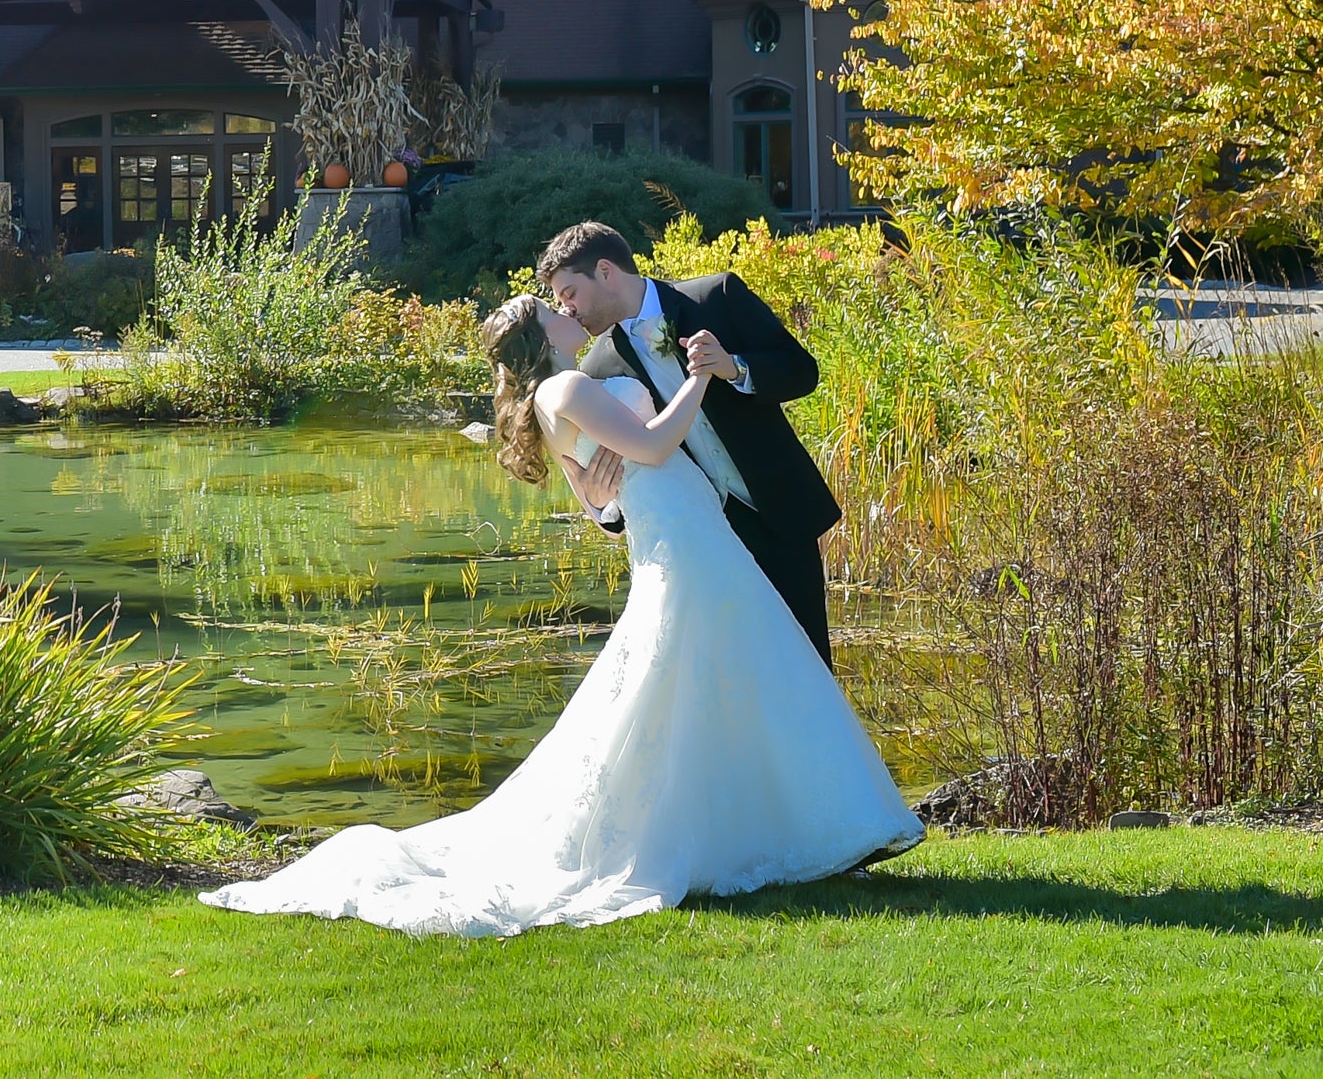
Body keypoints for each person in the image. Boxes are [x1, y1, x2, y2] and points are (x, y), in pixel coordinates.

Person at [199, 289, 918, 936]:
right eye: (547, 307)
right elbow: (656, 442)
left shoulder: (551, 396)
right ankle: (790, 828)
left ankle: (778, 828)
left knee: (713, 681)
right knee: (718, 677)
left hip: (681, 533)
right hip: (686, 541)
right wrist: (701, 376)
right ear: (538, 334)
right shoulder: (570, 383)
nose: (560, 307)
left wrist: (618, 483)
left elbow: (594, 499)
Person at [534, 220, 839, 663]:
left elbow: (801, 371)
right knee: (731, 679)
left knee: (809, 668)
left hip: (777, 514)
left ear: (604, 270)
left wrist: (736, 369)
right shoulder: (598, 367)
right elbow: (615, 476)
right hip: (700, 540)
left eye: (570, 294)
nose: (568, 310)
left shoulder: (716, 296)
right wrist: (603, 505)